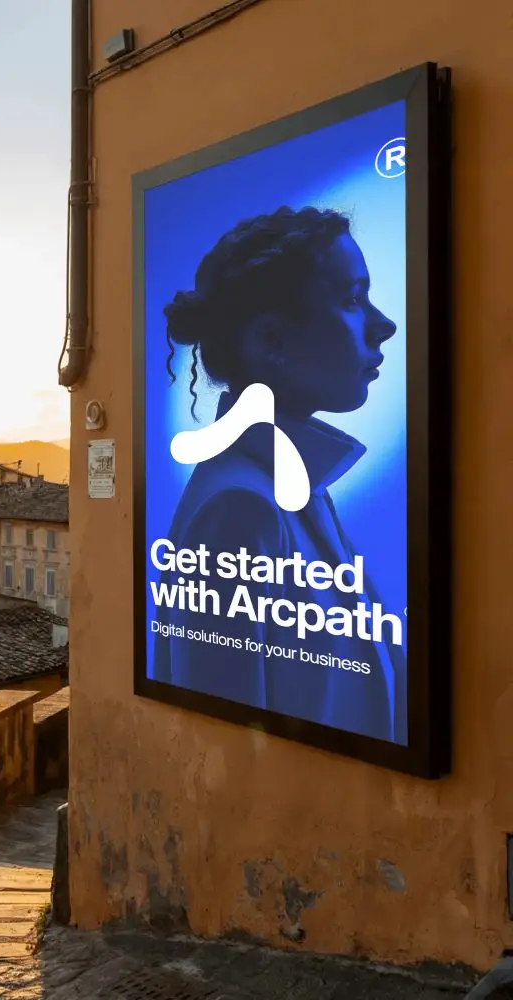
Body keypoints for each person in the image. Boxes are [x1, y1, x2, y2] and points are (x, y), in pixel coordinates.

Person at [151, 205, 406, 744]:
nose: (384, 326)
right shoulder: (241, 509)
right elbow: (223, 743)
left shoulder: (292, 486)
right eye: (352, 299)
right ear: (270, 342)